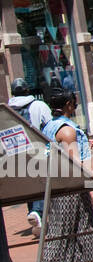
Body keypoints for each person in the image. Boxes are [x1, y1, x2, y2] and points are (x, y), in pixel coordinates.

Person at [38, 92, 93, 262]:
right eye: (73, 103)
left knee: (84, 222)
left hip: (60, 183)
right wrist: (91, 184)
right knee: (62, 226)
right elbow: (74, 163)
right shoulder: (67, 130)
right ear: (68, 105)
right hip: (70, 185)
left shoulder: (49, 126)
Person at [10, 78, 52, 231]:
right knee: (42, 182)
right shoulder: (38, 105)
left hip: (17, 155)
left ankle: (35, 214)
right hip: (39, 151)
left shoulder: (7, 110)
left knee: (30, 185)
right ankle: (38, 212)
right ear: (28, 90)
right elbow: (49, 125)